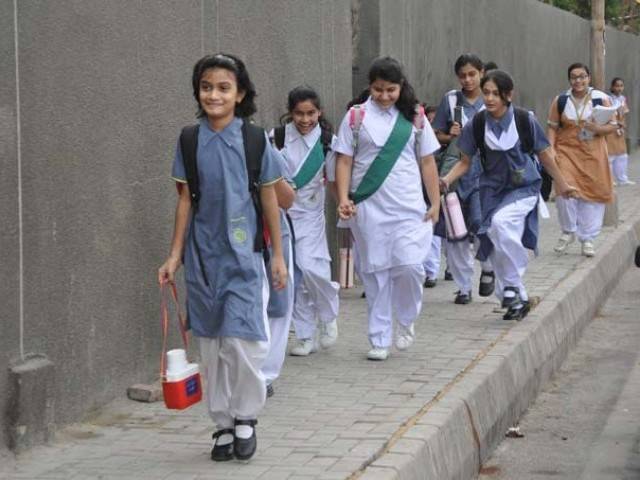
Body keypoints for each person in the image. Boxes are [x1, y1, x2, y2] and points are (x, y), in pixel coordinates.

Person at [158, 53, 287, 462]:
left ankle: (246, 415)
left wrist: (278, 256)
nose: (214, 94)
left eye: (224, 87)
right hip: (202, 260)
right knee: (211, 346)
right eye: (207, 86)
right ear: (198, 91)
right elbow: (184, 201)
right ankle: (223, 424)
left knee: (244, 342)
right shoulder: (189, 139)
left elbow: (271, 199)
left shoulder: (254, 140)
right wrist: (175, 255)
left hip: (245, 258)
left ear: (240, 94)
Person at [442, 69, 576, 320]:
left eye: (495, 93)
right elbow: (464, 161)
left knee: (501, 225)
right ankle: (517, 297)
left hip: (523, 187)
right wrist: (446, 179)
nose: (490, 98)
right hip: (491, 191)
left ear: (508, 95)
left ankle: (512, 286)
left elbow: (546, 155)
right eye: (487, 93)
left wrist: (563, 183)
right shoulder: (478, 124)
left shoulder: (524, 120)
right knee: (492, 240)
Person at [334, 56, 441, 361]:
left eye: (391, 90)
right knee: (375, 274)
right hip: (368, 208)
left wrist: (435, 202)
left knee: (410, 267)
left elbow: (427, 161)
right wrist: (344, 198)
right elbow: (344, 160)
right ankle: (379, 337)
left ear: (401, 87)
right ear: (370, 87)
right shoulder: (356, 117)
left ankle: (406, 319)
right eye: (379, 89)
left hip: (409, 207)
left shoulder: (415, 117)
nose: (384, 96)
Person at [270, 86, 340, 357]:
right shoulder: (275, 138)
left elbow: (333, 180)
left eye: (311, 113)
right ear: (290, 113)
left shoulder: (327, 142)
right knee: (294, 276)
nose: (305, 119)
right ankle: (304, 335)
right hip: (282, 214)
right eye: (299, 113)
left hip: (310, 213)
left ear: (319, 112)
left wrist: (343, 204)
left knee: (312, 268)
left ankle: (329, 311)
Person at [432, 54, 495, 304]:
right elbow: (435, 134)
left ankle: (488, 267)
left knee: (482, 224)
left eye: (472, 74)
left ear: (481, 72)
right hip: (454, 174)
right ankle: (464, 286)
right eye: (462, 75)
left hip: (486, 174)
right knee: (456, 231)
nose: (468, 80)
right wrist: (449, 135)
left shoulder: (492, 98)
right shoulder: (450, 99)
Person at [547, 63, 617, 257]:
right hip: (567, 152)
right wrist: (551, 148)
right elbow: (552, 126)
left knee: (592, 195)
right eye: (574, 77)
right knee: (564, 189)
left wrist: (598, 129)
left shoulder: (601, 99)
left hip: (593, 154)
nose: (578, 81)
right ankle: (568, 230)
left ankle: (587, 238)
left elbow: (613, 125)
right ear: (569, 80)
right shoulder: (560, 100)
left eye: (582, 76)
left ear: (588, 78)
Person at [422, 104, 443, 288]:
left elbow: (429, 163)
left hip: (433, 187)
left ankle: (432, 271)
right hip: (414, 189)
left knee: (434, 232)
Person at [607, 77, 634, 186]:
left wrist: (623, 125)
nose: (619, 88)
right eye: (617, 86)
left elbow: (624, 113)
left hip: (620, 130)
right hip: (611, 129)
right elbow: (609, 114)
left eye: (621, 86)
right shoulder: (608, 99)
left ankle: (622, 179)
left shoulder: (623, 98)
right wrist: (617, 123)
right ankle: (610, 180)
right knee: (611, 156)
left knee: (622, 155)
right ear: (612, 87)